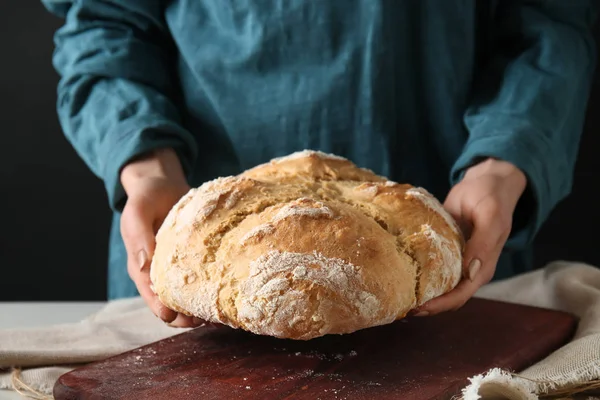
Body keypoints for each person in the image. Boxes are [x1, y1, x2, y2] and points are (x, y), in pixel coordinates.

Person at [41, 0, 597, 327]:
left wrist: (501, 165)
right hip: (190, 238)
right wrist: (147, 170)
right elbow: (104, 22)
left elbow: (551, 21)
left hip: (458, 227)